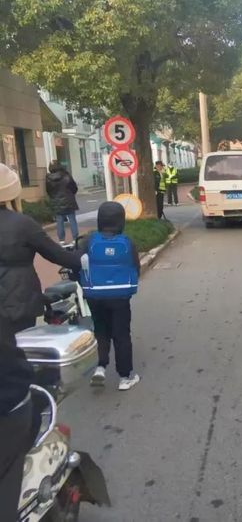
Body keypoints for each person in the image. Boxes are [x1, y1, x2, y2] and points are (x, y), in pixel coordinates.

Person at [0, 163, 81, 519]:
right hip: (18, 303)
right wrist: (81, 259)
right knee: (18, 369)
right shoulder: (21, 224)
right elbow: (56, 254)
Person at [83, 202, 141, 391]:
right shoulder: (127, 242)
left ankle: (100, 367)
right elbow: (136, 267)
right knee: (121, 334)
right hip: (120, 296)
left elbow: (79, 264)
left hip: (95, 295)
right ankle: (124, 377)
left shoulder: (88, 241)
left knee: (100, 330)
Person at [46, 160, 79, 245]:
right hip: (69, 201)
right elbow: (74, 188)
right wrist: (71, 194)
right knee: (72, 220)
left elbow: (48, 191)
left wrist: (54, 198)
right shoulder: (66, 175)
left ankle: (61, 240)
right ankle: (75, 239)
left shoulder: (48, 178)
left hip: (56, 202)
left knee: (59, 221)